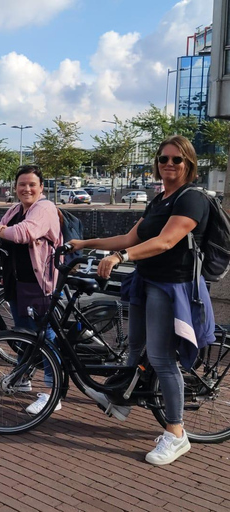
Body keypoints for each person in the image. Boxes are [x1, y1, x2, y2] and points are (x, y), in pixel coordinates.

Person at [68, 135, 214, 465]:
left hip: (171, 286)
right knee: (134, 347)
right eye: (163, 159)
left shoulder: (192, 200)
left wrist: (122, 256)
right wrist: (85, 243)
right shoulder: (159, 199)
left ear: (188, 164)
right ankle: (121, 400)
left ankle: (176, 434)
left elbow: (165, 241)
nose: (169, 165)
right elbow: (130, 236)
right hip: (146, 281)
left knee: (162, 359)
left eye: (176, 160)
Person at [0, 164, 62, 414]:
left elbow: (22, 233)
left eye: (31, 184)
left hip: (39, 283)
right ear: (15, 187)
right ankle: (22, 378)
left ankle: (53, 393)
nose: (26, 189)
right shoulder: (16, 208)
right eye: (21, 184)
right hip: (16, 282)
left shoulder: (45, 208)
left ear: (41, 188)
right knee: (23, 333)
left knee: (45, 337)